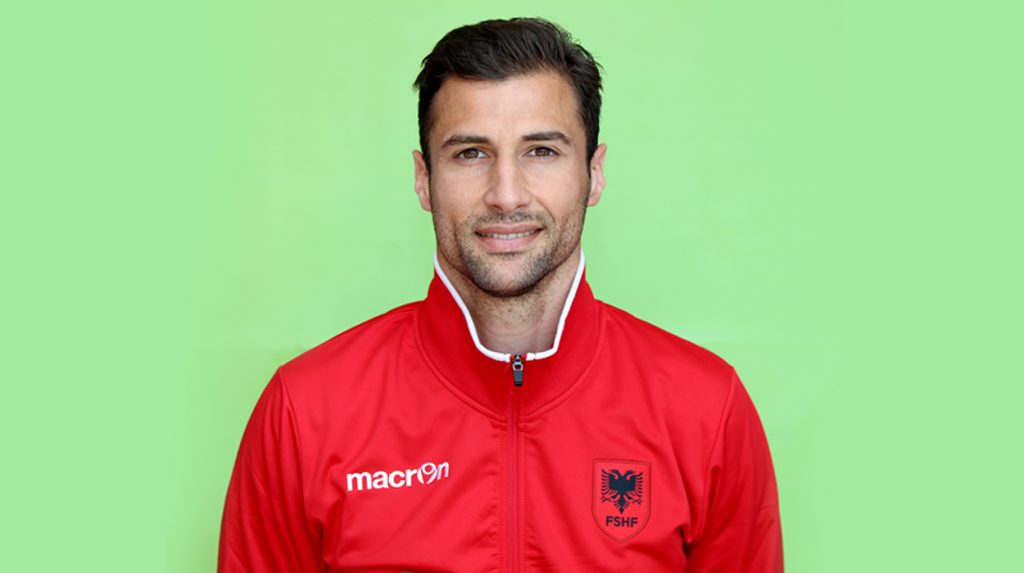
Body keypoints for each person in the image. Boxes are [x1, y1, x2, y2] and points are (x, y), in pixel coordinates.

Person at [218, 17, 782, 572]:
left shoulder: (707, 410)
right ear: (423, 179)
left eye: (541, 151)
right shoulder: (305, 412)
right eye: (470, 153)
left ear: (595, 173)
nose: (506, 195)